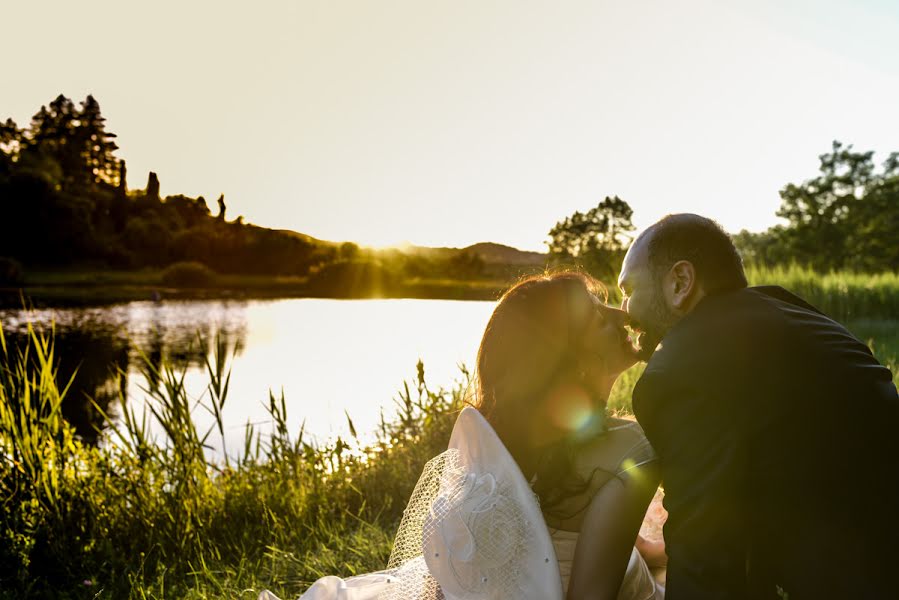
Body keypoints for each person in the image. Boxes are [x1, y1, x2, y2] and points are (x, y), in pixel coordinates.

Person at [264, 272, 665, 600]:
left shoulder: (503, 443)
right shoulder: (633, 449)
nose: (620, 315)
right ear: (568, 362)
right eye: (598, 319)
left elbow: (585, 537)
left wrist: (652, 552)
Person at [618, 214, 899, 599]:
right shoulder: (786, 310)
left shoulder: (684, 367)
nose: (623, 309)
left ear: (680, 283)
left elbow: (705, 558)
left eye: (629, 289)